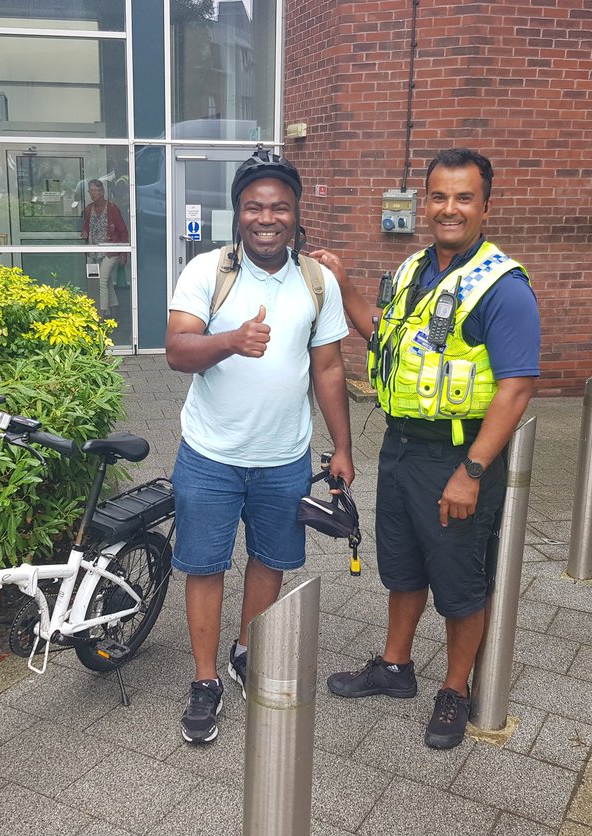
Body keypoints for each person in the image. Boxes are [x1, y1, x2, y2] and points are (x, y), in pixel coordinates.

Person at [309, 147, 540, 750]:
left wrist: (472, 471)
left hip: (457, 456)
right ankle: (395, 665)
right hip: (402, 448)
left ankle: (455, 689)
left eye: (464, 197)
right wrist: (342, 282)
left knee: (461, 582)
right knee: (404, 567)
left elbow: (516, 389)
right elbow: (380, 332)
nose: (449, 208)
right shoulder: (415, 270)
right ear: (424, 203)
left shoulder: (503, 286)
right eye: (438, 196)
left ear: (486, 205)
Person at [165, 146, 355, 744]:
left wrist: (342, 448)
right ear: (238, 214)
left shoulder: (316, 281)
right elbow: (176, 351)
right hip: (211, 455)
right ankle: (203, 679)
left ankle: (246, 650)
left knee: (271, 561)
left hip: (284, 459)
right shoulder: (206, 271)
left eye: (278, 207)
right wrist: (230, 341)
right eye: (253, 207)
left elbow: (327, 369)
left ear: (296, 216)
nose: (265, 218)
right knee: (203, 565)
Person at [80, 179, 129, 316]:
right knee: (104, 281)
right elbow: (86, 226)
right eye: (91, 191)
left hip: (110, 251)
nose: (93, 194)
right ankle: (114, 308)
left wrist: (124, 254)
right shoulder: (89, 208)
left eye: (96, 191)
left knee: (102, 281)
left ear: (102, 192)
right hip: (93, 250)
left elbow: (123, 231)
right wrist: (84, 232)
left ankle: (101, 314)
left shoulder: (112, 209)